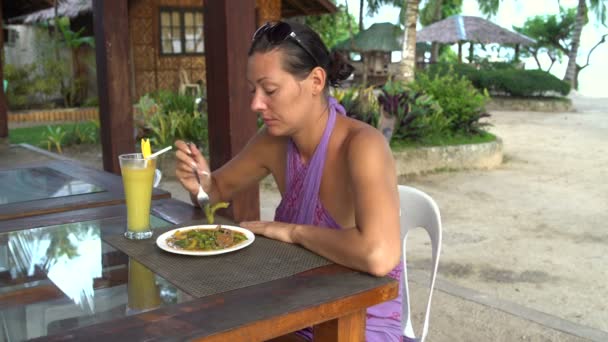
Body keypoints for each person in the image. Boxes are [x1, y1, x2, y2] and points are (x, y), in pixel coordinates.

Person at [175, 21, 403, 341]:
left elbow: (378, 254)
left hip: (356, 323)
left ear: (315, 81)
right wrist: (199, 182)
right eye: (253, 90)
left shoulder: (363, 146)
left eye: (269, 90)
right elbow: (215, 192)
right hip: (292, 310)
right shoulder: (274, 142)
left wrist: (291, 232)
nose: (256, 103)